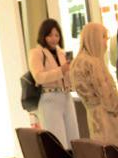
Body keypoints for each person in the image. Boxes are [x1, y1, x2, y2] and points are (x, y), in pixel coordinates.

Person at [69, 23, 118, 157]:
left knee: (102, 156)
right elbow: (109, 99)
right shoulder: (93, 63)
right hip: (108, 120)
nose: (106, 42)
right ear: (95, 38)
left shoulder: (76, 63)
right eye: (104, 37)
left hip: (93, 117)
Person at [28, 19, 79, 150]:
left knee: (73, 139)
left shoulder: (62, 53)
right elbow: (39, 77)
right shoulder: (36, 53)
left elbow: (67, 76)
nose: (54, 39)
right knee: (57, 141)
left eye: (57, 35)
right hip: (49, 99)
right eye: (50, 35)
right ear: (43, 35)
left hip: (66, 97)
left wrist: (73, 72)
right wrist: (61, 70)